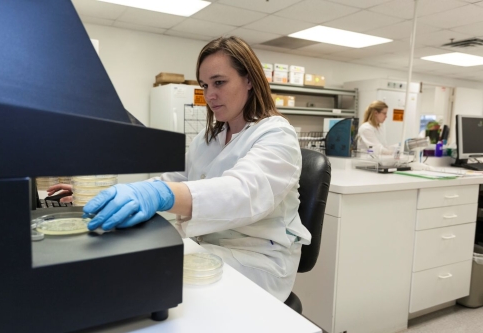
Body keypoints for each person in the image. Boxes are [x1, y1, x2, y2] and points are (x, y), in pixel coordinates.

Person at [55, 36, 312, 302]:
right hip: (207, 246)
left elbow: (243, 192)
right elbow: (176, 178)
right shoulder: (208, 137)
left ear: (249, 80)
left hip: (258, 258)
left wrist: (159, 195)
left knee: (148, 278)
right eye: (204, 85)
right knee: (133, 264)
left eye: (219, 82)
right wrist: (109, 194)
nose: (209, 94)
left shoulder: (277, 134)